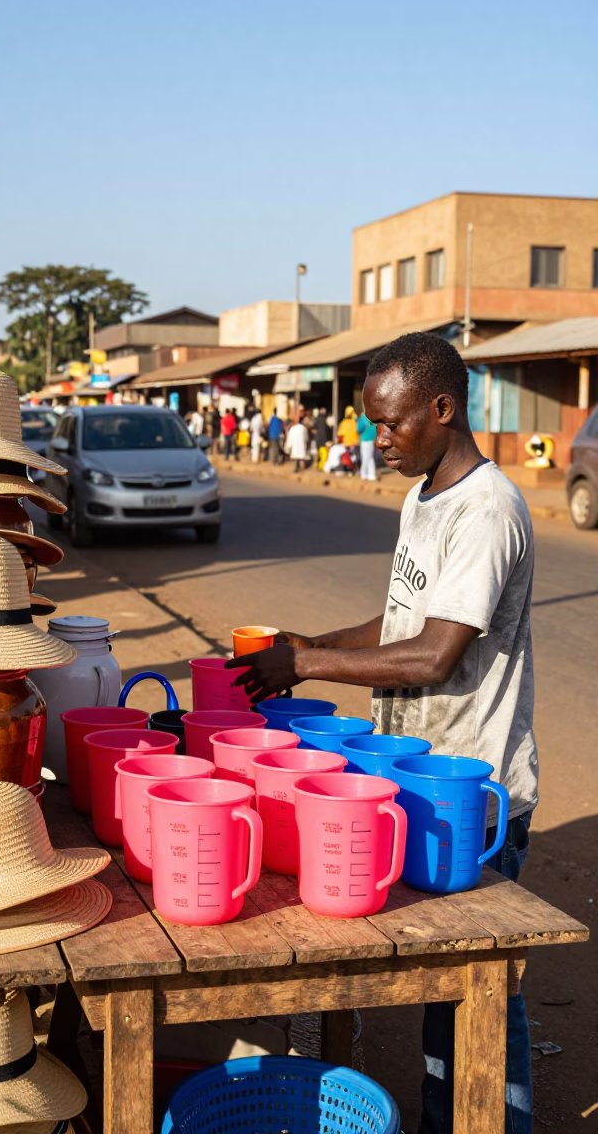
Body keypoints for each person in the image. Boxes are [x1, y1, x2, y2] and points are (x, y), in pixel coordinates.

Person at [227, 332, 537, 1134]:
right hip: (414, 771)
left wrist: (312, 665)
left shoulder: (489, 509)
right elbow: (403, 622)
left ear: (442, 409)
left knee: (480, 998)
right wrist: (309, 647)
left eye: (392, 423)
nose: (379, 439)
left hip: (474, 790)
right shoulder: (422, 495)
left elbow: (435, 655)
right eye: (372, 424)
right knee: (441, 990)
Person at [357, 409, 377, 479]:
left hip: (365, 440)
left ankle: (363, 474)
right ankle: (372, 475)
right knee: (370, 457)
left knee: (365, 457)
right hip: (372, 440)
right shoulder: (372, 419)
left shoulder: (362, 419)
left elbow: (358, 429)